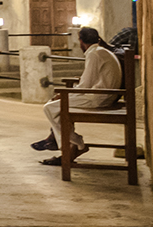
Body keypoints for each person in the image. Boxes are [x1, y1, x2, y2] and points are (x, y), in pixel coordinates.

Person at [33, 26, 124, 165]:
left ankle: (75, 144)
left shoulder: (94, 54)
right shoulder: (100, 51)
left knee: (49, 108)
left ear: (81, 41)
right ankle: (61, 143)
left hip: (98, 97)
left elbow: (85, 85)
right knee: (57, 107)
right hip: (104, 95)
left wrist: (65, 95)